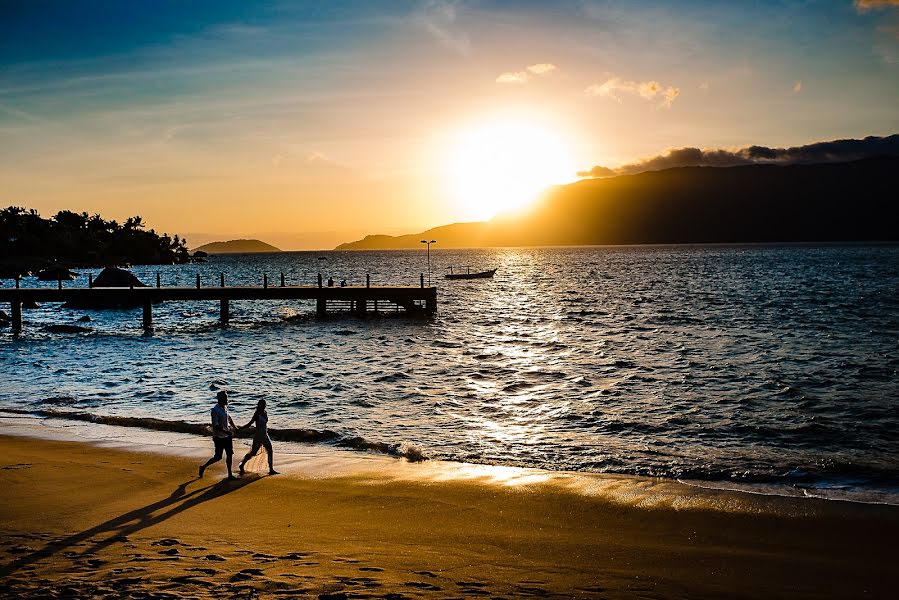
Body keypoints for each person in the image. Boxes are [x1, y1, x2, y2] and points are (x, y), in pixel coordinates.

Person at [199, 391, 238, 479]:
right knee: (218, 457)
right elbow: (215, 426)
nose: (227, 399)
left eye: (227, 397)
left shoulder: (225, 408)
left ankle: (230, 474)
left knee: (229, 454)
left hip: (227, 436)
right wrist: (226, 432)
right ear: (220, 399)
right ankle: (203, 467)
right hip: (219, 437)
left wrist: (235, 427)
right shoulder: (215, 410)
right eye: (225, 397)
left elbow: (229, 418)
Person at [238, 399, 278, 475]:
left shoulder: (265, 413)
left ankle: (271, 469)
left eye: (264, 404)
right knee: (253, 453)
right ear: (259, 405)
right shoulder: (257, 414)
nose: (263, 406)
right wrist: (240, 428)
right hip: (258, 436)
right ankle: (242, 464)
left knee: (270, 450)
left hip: (265, 435)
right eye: (262, 404)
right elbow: (249, 424)